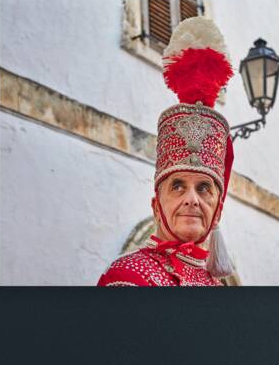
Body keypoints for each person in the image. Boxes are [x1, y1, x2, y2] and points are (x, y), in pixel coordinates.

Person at [98, 15, 237, 287]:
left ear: (217, 211)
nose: (192, 199)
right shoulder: (128, 275)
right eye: (177, 185)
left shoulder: (216, 283)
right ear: (155, 205)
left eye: (204, 188)